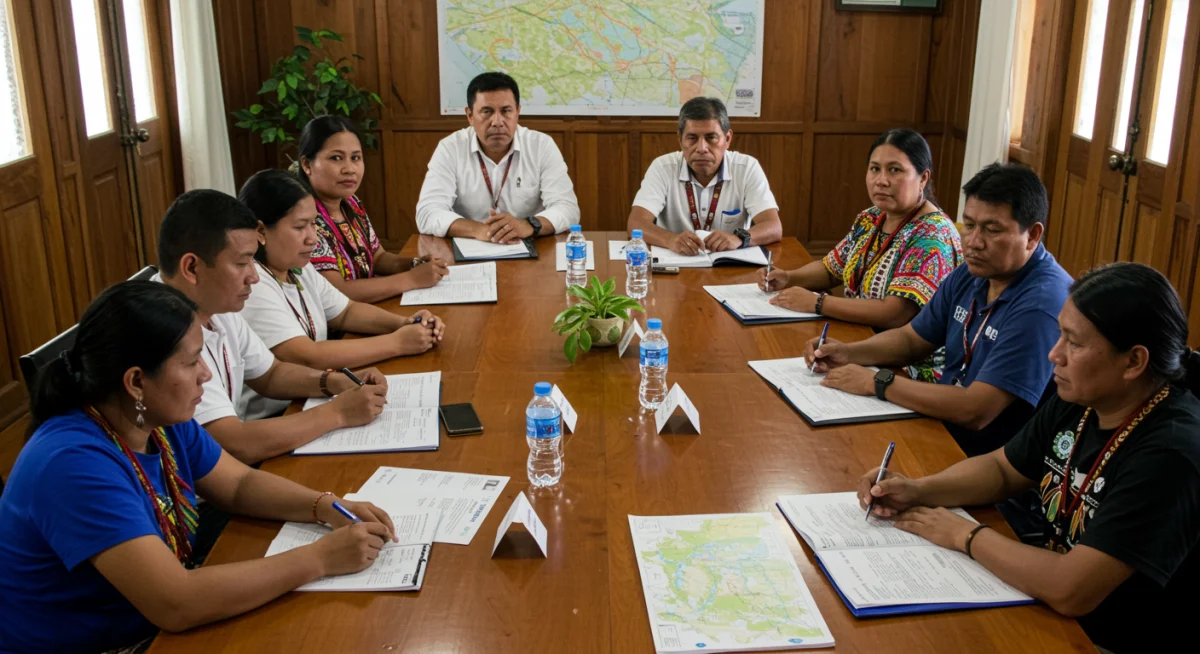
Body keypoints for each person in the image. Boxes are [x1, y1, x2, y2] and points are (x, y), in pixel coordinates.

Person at [0, 281, 399, 654]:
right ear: (135, 382)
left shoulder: (154, 419)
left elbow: (237, 483)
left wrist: (326, 506)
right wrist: (321, 559)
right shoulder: (71, 464)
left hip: (152, 620)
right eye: (192, 363)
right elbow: (177, 603)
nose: (206, 375)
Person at [856, 262, 1200, 653]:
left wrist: (960, 533)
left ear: (1134, 362)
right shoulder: (1085, 397)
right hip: (1047, 602)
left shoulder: (1170, 453)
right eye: (1060, 336)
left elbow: (1071, 590)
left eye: (1075, 343)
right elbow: (1003, 469)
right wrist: (919, 490)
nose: (1055, 354)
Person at [806, 163, 1071, 457]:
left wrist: (878, 382)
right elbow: (912, 339)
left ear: (1033, 235)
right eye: (968, 225)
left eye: (992, 230)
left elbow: (977, 410)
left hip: (986, 459)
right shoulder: (974, 272)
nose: (974, 242)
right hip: (940, 426)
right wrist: (847, 352)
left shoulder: (1042, 304)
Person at [155, 188, 389, 464]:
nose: (254, 277)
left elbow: (270, 374)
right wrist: (338, 413)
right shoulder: (161, 330)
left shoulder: (216, 304)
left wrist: (335, 381)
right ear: (192, 268)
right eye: (242, 263)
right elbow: (234, 443)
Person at [759, 129, 962, 382]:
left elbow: (896, 314)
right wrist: (788, 277)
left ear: (923, 178)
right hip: (859, 341)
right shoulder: (871, 218)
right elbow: (832, 268)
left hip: (909, 368)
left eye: (895, 170)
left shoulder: (932, 237)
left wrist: (818, 303)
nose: (881, 180)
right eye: (875, 169)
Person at [238, 169, 445, 386]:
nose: (313, 238)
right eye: (300, 227)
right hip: (284, 410)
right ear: (260, 231)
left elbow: (346, 312)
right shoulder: (253, 284)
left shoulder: (298, 268)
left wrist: (405, 323)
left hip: (315, 391)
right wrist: (397, 343)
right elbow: (308, 356)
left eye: (314, 224)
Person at [298, 115, 450, 303]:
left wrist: (414, 264)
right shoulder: (304, 218)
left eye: (356, 158)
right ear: (307, 164)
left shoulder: (351, 203)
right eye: (336, 158)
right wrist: (411, 279)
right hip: (335, 328)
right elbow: (337, 293)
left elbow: (377, 258)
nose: (349, 169)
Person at [415, 71, 580, 243]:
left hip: (530, 247)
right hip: (470, 248)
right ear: (470, 116)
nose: (497, 122)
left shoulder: (541, 146)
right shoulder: (450, 148)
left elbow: (567, 209)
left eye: (506, 111)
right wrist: (479, 229)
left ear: (518, 112)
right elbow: (427, 213)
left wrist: (527, 225)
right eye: (487, 111)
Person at [628, 96, 782, 255]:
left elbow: (773, 227)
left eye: (711, 138)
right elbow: (636, 222)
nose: (701, 148)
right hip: (676, 264)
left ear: (727, 139)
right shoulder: (662, 167)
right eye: (692, 138)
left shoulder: (747, 168)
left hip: (730, 267)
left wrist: (739, 238)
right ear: (680, 140)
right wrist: (670, 240)